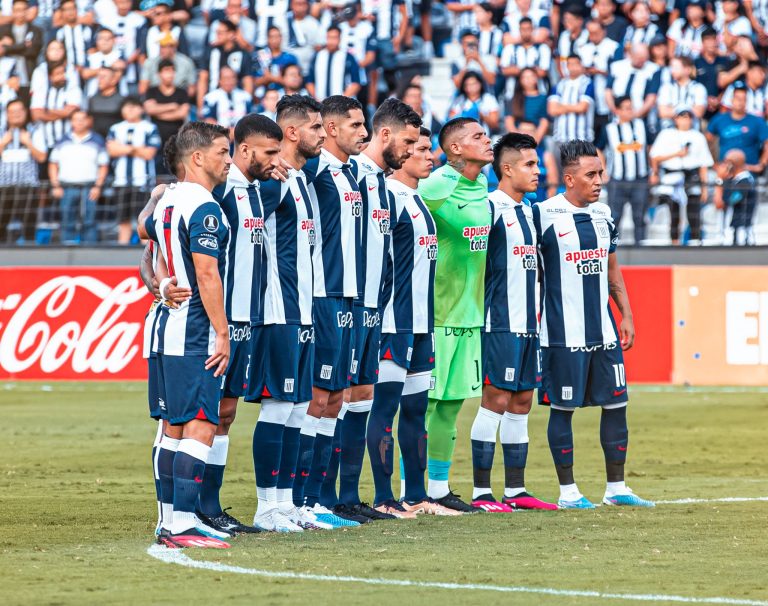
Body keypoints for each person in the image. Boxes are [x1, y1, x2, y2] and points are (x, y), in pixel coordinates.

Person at [534, 139, 654, 510]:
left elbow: (612, 271)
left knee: (617, 405)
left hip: (604, 331)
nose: (599, 180)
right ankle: (568, 492)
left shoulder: (603, 214)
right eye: (591, 174)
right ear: (569, 179)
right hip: (561, 334)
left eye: (600, 172)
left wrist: (626, 314)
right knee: (563, 410)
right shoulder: (542, 215)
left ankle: (616, 488)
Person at [252, 94, 352, 531]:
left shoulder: (301, 179)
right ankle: (266, 508)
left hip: (307, 309)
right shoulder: (272, 183)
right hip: (280, 309)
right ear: (292, 131)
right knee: (278, 409)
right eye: (315, 127)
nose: (321, 134)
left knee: (297, 410)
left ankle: (288, 504)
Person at [324, 98, 421, 521]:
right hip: (342, 302)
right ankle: (322, 496)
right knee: (334, 399)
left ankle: (348, 496)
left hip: (372, 308)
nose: (412, 151)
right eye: (408, 142)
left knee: (361, 396)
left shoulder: (382, 183)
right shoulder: (351, 175)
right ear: (385, 135)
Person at [141, 121, 233, 549]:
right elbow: (207, 274)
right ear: (197, 157)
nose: (228, 160)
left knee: (171, 427)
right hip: (194, 329)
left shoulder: (166, 201)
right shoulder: (204, 207)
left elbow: (151, 251)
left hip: (163, 327)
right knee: (200, 423)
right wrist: (222, 333)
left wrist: (160, 284)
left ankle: (170, 522)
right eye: (222, 151)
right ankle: (181, 524)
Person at [365, 127, 460, 517]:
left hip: (423, 324)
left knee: (417, 411)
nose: (430, 156)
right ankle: (383, 498)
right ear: (401, 154)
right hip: (394, 322)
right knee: (385, 408)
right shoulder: (388, 196)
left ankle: (416, 495)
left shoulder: (418, 199)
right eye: (420, 149)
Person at [199, 113, 283, 535]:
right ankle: (195, 508)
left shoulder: (255, 190)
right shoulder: (222, 190)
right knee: (206, 414)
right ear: (244, 149)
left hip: (247, 318)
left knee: (226, 414)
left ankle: (210, 507)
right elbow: (164, 207)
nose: (276, 160)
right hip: (221, 319)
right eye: (270, 152)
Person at [468, 132, 556, 513]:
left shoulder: (531, 212)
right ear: (506, 169)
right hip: (500, 322)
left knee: (522, 402)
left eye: (537, 163)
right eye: (529, 164)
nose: (538, 171)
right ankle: (481, 493)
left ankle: (516, 491)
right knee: (496, 401)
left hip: (529, 325)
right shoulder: (488, 209)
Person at [417, 117, 493, 513]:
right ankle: (412, 491)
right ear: (456, 149)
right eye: (478, 136)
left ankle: (438, 488)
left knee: (451, 406)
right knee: (425, 407)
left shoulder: (481, 184)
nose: (488, 140)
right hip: (437, 317)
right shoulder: (437, 185)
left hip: (469, 317)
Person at [297, 96, 367, 522]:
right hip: (323, 294)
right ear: (332, 128)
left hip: (349, 296)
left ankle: (319, 500)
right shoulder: (315, 167)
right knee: (317, 398)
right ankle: (299, 501)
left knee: (337, 398)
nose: (363, 132)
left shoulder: (350, 172)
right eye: (355, 125)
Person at [649, 105, 714, 245]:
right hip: (672, 177)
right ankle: (674, 243)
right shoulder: (666, 134)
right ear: (676, 119)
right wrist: (676, 154)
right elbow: (655, 156)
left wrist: (704, 187)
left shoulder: (698, 136)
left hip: (692, 177)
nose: (685, 120)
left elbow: (703, 164)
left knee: (694, 212)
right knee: (674, 213)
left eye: (688, 117)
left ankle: (695, 242)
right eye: (682, 117)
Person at [48, 110, 109, 244]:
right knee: (67, 220)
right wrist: (55, 185)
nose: (79, 122)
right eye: (76, 119)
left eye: (82, 119)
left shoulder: (98, 140)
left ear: (89, 121)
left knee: (90, 221)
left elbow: (103, 166)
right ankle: (67, 250)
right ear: (71, 122)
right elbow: (53, 164)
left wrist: (98, 186)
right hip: (66, 187)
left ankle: (90, 250)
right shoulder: (62, 140)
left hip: (90, 187)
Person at [106, 97, 162, 244]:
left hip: (143, 180)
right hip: (121, 181)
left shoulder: (149, 127)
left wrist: (123, 147)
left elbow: (149, 153)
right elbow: (111, 151)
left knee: (144, 219)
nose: (130, 110)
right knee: (122, 220)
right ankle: (122, 247)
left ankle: (147, 251)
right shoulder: (115, 128)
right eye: (127, 107)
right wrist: (137, 148)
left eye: (134, 106)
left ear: (141, 109)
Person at [603, 95, 650, 245]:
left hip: (640, 178)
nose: (631, 111)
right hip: (617, 179)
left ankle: (641, 248)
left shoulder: (641, 125)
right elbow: (597, 148)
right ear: (617, 111)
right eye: (627, 108)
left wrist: (654, 170)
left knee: (640, 217)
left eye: (631, 107)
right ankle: (612, 250)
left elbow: (650, 147)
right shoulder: (609, 129)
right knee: (615, 217)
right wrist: (603, 171)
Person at [0, 99, 46, 243]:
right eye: (12, 111)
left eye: (19, 111)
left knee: (28, 224)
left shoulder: (35, 130)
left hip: (27, 186)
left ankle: (29, 250)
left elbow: (42, 157)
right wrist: (3, 143)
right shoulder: (1, 132)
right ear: (7, 114)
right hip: (3, 186)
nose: (16, 114)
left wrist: (28, 143)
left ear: (25, 112)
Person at [707, 83, 768, 173]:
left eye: (743, 99)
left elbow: (767, 143)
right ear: (732, 100)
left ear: (747, 101)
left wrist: (761, 165)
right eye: (738, 98)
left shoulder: (756, 121)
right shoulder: (720, 119)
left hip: (748, 170)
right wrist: (713, 164)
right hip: (725, 171)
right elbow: (707, 140)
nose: (740, 102)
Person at [143, 58, 190, 172]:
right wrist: (172, 106)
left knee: (176, 169)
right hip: (155, 137)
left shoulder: (181, 92)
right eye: (166, 71)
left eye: (172, 71)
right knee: (156, 170)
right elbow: (149, 109)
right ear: (159, 74)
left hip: (176, 137)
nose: (169, 74)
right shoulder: (152, 91)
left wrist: (158, 112)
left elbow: (182, 113)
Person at [197, 18, 253, 104]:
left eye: (220, 33)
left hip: (236, 101)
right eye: (216, 32)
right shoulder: (210, 51)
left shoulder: (242, 54)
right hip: (213, 99)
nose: (217, 36)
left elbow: (247, 81)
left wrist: (246, 104)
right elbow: (203, 79)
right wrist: (201, 105)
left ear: (231, 34)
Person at [548, 54, 595, 149]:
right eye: (570, 64)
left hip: (582, 138)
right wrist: (574, 106)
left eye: (575, 64)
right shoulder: (559, 85)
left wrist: (561, 107)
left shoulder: (587, 83)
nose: (573, 67)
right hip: (561, 137)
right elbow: (552, 110)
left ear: (581, 65)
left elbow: (582, 108)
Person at [0, 0, 43, 105]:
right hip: (7, 80)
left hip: (28, 77)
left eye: (23, 10)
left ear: (27, 11)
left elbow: (33, 51)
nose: (20, 13)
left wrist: (8, 48)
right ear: (12, 11)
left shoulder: (36, 30)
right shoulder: (3, 30)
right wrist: (23, 45)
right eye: (17, 10)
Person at [499, 16, 552, 101]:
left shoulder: (543, 48)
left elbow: (542, 72)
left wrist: (517, 69)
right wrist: (531, 71)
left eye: (528, 29)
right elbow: (505, 70)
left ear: (533, 29)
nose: (526, 32)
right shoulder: (510, 48)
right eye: (523, 29)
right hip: (513, 94)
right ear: (519, 30)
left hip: (538, 94)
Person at [713, 149, 758, 246]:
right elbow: (718, 204)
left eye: (725, 162)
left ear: (731, 164)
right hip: (730, 230)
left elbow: (728, 201)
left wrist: (719, 179)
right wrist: (720, 180)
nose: (723, 165)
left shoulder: (745, 181)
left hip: (741, 232)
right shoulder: (731, 180)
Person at [306, 26, 362, 101]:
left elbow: (356, 83)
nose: (332, 41)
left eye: (335, 37)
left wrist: (342, 100)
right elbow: (309, 81)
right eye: (329, 37)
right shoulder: (317, 56)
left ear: (340, 39)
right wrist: (316, 99)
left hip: (343, 103)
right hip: (320, 103)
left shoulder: (348, 57)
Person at [200, 66, 253, 140]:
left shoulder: (246, 97)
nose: (229, 81)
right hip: (219, 136)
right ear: (219, 80)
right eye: (226, 78)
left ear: (236, 79)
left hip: (242, 136)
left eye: (232, 78)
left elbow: (250, 119)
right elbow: (208, 120)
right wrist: (226, 132)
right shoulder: (210, 98)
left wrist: (237, 132)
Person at [138, 33, 196, 97]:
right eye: (161, 46)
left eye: (166, 46)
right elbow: (142, 89)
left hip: (179, 98)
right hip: (155, 97)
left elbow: (192, 89)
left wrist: (182, 99)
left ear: (174, 47)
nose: (163, 50)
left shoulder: (186, 63)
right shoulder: (149, 63)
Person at [657, 56, 708, 129]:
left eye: (676, 67)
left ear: (687, 70)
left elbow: (699, 112)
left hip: (692, 131)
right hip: (669, 131)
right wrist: (689, 109)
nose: (672, 70)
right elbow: (662, 113)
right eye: (671, 67)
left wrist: (672, 108)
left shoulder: (699, 88)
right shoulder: (666, 88)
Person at [505, 67, 549, 143]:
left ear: (536, 78)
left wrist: (536, 140)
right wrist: (517, 140)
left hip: (535, 137)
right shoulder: (514, 98)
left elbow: (544, 121)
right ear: (520, 80)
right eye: (525, 77)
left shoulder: (543, 99)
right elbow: (509, 120)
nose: (528, 79)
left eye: (531, 76)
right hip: (517, 138)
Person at [88, 66, 126, 139]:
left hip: (116, 140)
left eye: (103, 77)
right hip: (96, 140)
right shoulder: (92, 99)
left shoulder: (122, 100)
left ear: (113, 80)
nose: (99, 80)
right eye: (98, 76)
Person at [53, 0, 93, 69]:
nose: (70, 12)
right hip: (65, 70)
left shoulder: (86, 29)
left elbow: (93, 50)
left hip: (87, 68)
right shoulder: (59, 32)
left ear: (77, 10)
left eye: (72, 8)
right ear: (61, 12)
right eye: (67, 9)